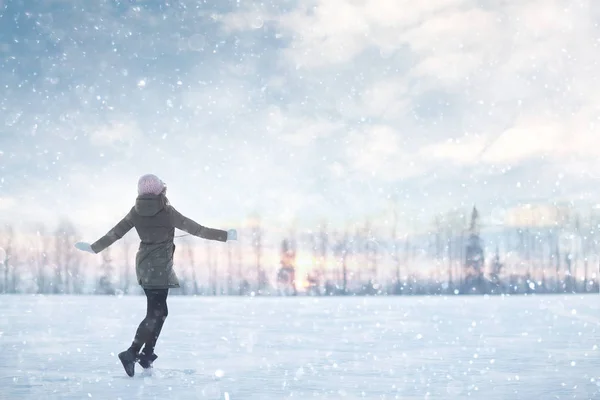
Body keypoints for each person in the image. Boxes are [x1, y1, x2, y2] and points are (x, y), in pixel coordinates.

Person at [73, 174, 237, 377]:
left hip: (145, 265)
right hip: (159, 267)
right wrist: (225, 235)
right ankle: (132, 353)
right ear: (161, 190)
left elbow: (115, 233)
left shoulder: (136, 211)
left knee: (160, 312)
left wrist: (94, 248)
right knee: (155, 313)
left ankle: (146, 354)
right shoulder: (166, 211)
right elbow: (197, 229)